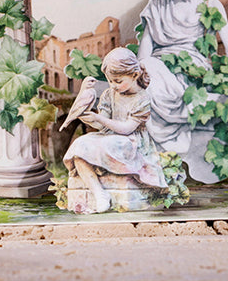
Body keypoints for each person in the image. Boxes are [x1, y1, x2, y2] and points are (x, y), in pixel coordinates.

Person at [136, 0, 228, 183]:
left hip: (194, 68)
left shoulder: (211, 5)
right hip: (160, 64)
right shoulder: (158, 2)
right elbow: (146, 45)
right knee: (147, 67)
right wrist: (138, 74)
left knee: (163, 79)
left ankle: (177, 144)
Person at [63, 47, 168, 213]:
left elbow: (127, 128)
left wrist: (100, 119)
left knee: (114, 144)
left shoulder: (142, 99)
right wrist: (90, 118)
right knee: (80, 144)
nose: (113, 85)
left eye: (118, 81)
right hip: (109, 136)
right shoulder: (109, 94)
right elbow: (103, 125)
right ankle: (99, 193)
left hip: (131, 141)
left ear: (135, 75)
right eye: (110, 81)